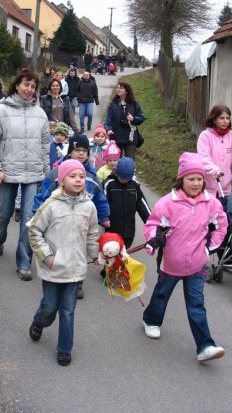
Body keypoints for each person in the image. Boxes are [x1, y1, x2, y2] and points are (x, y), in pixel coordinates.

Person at [142, 152, 227, 363]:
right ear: (181, 180)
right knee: (161, 295)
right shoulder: (167, 203)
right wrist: (155, 240)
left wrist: (209, 250)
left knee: (197, 305)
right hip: (170, 264)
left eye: (199, 179)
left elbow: (221, 227)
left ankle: (205, 346)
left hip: (197, 266)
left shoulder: (211, 204)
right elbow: (152, 226)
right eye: (191, 179)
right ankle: (151, 320)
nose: (196, 183)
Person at [28, 159, 100, 366]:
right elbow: (34, 230)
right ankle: (39, 321)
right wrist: (47, 257)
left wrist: (94, 254)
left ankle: (64, 349)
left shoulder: (89, 206)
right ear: (62, 180)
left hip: (75, 268)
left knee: (68, 310)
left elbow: (93, 232)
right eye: (73, 176)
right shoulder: (51, 205)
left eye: (81, 176)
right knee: (50, 306)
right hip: (54, 267)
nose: (78, 180)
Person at [0, 70, 50, 281]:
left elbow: (45, 146)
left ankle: (23, 263)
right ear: (17, 85)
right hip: (7, 171)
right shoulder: (0, 111)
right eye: (26, 85)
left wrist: (46, 174)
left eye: (33, 87)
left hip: (33, 174)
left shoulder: (40, 114)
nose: (29, 90)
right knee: (5, 212)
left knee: (29, 219)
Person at [33, 133, 110, 299]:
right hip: (59, 220)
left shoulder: (91, 176)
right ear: (69, 152)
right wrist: (36, 211)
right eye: (77, 150)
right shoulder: (56, 174)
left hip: (83, 221)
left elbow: (100, 198)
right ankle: (56, 280)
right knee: (61, 248)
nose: (81, 153)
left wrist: (104, 217)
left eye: (85, 150)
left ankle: (77, 283)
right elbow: (43, 195)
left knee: (79, 251)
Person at [103, 157, 151, 249]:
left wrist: (154, 225)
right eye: (121, 177)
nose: (123, 180)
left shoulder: (134, 186)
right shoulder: (109, 184)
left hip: (129, 232)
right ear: (116, 172)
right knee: (112, 255)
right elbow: (102, 203)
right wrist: (104, 218)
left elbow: (143, 207)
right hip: (112, 232)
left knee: (124, 255)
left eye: (126, 178)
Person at [104, 82, 145, 159]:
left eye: (121, 88)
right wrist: (108, 129)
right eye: (117, 88)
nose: (118, 89)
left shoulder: (134, 104)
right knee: (115, 160)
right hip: (116, 137)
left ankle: (131, 171)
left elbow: (141, 118)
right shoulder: (113, 105)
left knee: (130, 161)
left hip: (130, 138)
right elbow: (108, 120)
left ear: (126, 91)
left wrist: (133, 119)